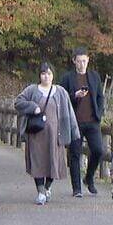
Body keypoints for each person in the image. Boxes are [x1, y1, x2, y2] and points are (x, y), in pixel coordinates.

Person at [15, 62, 80, 205]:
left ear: (53, 75)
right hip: (36, 135)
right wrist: (33, 107)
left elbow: (69, 113)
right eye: (43, 73)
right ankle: (40, 192)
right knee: (37, 162)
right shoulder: (32, 90)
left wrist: (74, 132)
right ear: (39, 75)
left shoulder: (61, 92)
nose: (46, 76)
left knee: (54, 162)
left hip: (55, 136)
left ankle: (47, 188)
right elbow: (18, 102)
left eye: (49, 73)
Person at [58, 48, 105, 197]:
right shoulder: (67, 78)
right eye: (79, 61)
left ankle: (89, 177)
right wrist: (75, 96)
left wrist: (99, 113)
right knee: (75, 155)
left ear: (88, 60)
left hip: (92, 121)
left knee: (98, 150)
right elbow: (62, 99)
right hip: (74, 122)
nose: (82, 64)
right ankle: (76, 188)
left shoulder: (94, 76)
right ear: (74, 61)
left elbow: (99, 97)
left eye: (84, 61)